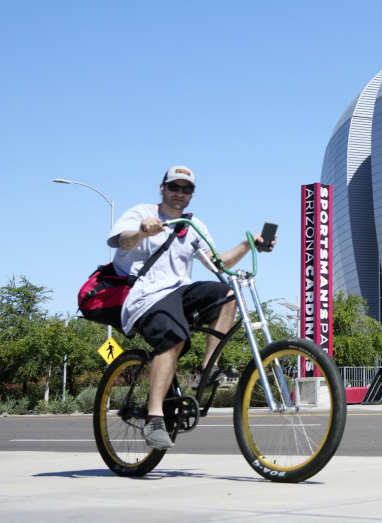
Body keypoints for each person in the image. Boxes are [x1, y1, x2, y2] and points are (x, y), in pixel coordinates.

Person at [108, 165, 273, 450]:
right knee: (174, 338)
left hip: (177, 293)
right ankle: (155, 417)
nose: (179, 193)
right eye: (174, 187)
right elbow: (121, 240)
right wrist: (141, 231)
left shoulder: (193, 225)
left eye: (186, 189)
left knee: (229, 292)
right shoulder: (141, 212)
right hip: (143, 296)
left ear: (192, 194)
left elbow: (218, 263)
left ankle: (210, 367)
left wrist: (249, 244)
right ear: (163, 188)